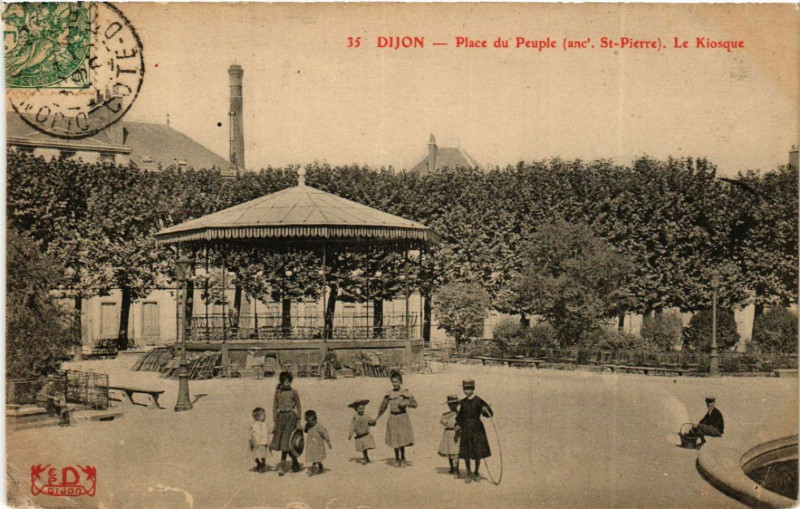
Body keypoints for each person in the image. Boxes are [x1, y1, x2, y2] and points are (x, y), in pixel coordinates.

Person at [375, 370, 417, 466]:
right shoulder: (389, 393)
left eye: (396, 382)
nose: (395, 384)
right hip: (393, 417)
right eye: (393, 382)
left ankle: (403, 458)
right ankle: (397, 458)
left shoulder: (405, 392)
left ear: (400, 382)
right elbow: (383, 406)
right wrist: (377, 418)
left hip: (402, 417)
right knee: (394, 438)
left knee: (402, 438)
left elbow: (414, 404)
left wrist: (406, 403)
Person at [455, 379, 493, 483]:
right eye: (464, 389)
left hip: (477, 429)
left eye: (468, 389)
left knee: (478, 451)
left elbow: (490, 414)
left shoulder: (479, 401)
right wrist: (457, 424)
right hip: (466, 429)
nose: (466, 391)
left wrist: (486, 410)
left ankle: (476, 472)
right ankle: (468, 473)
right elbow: (459, 416)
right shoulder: (462, 402)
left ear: (473, 389)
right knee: (466, 452)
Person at [271, 371, 302, 475]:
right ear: (281, 382)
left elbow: (298, 406)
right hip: (281, 419)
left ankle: (282, 466)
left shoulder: (294, 392)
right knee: (284, 442)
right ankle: (295, 462)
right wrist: (275, 421)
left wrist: (298, 420)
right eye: (287, 382)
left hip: (291, 418)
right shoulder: (277, 393)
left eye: (290, 382)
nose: (289, 384)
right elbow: (274, 407)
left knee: (288, 441)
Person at [348, 399, 377, 464]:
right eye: (359, 409)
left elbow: (371, 422)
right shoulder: (355, 417)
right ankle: (366, 458)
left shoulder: (366, 416)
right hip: (359, 436)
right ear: (356, 409)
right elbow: (352, 425)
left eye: (362, 408)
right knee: (363, 448)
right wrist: (350, 433)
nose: (361, 410)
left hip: (366, 435)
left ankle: (366, 458)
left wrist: (373, 422)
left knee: (365, 447)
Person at [438, 394, 461, 476]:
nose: (452, 406)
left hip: (456, 433)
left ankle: (456, 469)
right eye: (450, 404)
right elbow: (443, 422)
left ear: (457, 404)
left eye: (454, 404)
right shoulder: (446, 415)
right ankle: (451, 467)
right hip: (448, 433)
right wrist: (450, 415)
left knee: (456, 451)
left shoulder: (460, 414)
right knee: (449, 451)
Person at [304, 410, 331, 475]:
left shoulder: (319, 426)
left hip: (318, 445)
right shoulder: (308, 425)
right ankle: (320, 466)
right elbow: (305, 430)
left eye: (311, 421)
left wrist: (328, 442)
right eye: (307, 421)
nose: (309, 423)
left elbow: (325, 434)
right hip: (311, 444)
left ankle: (313, 469)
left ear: (314, 418)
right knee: (315, 457)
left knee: (316, 457)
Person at [249, 407, 271, 473]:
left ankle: (263, 466)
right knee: (254, 454)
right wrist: (251, 440)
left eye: (265, 415)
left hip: (264, 442)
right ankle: (259, 464)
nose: (265, 417)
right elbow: (250, 433)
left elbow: (270, 430)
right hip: (256, 442)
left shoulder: (265, 424)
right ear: (257, 417)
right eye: (263, 415)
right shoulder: (253, 425)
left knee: (263, 455)